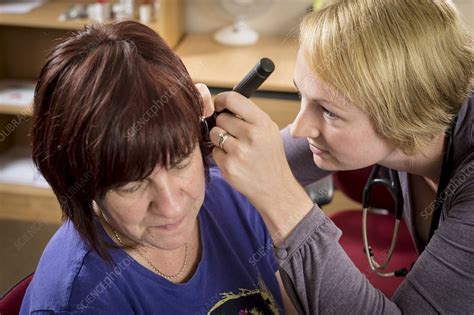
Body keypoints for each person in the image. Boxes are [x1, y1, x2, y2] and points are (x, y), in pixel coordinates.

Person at [207, 0, 474, 313]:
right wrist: (187, 146)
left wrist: (283, 201)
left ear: (407, 112)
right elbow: (255, 162)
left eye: (329, 111)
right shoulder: (413, 124)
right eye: (301, 96)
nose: (300, 129)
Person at [20, 21, 297, 314]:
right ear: (76, 179)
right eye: (131, 185)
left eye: (179, 162)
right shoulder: (80, 301)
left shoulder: (236, 199)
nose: (171, 205)